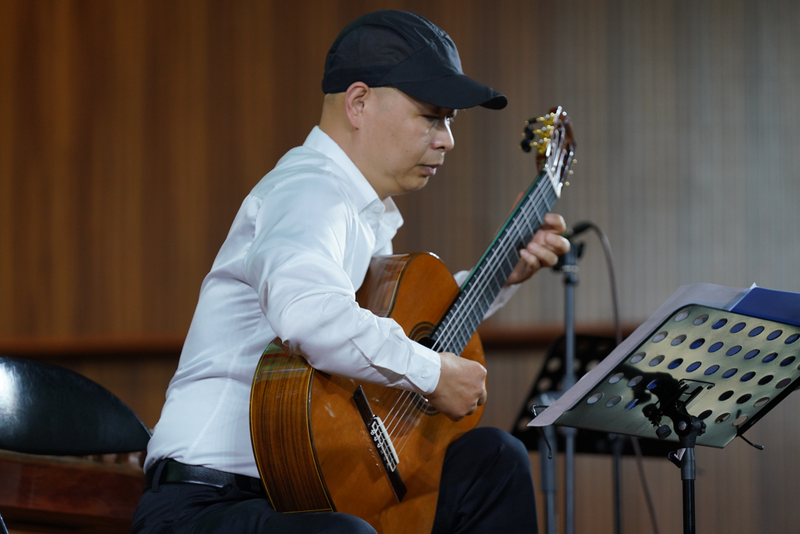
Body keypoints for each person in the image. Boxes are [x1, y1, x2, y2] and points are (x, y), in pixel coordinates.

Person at [132, 9, 569, 534]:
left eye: (450, 121)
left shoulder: (361, 211)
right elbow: (311, 314)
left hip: (305, 493)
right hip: (206, 502)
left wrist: (501, 273)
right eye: (433, 116)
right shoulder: (309, 191)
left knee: (493, 460)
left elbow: (395, 325)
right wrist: (432, 375)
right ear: (359, 102)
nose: (448, 139)